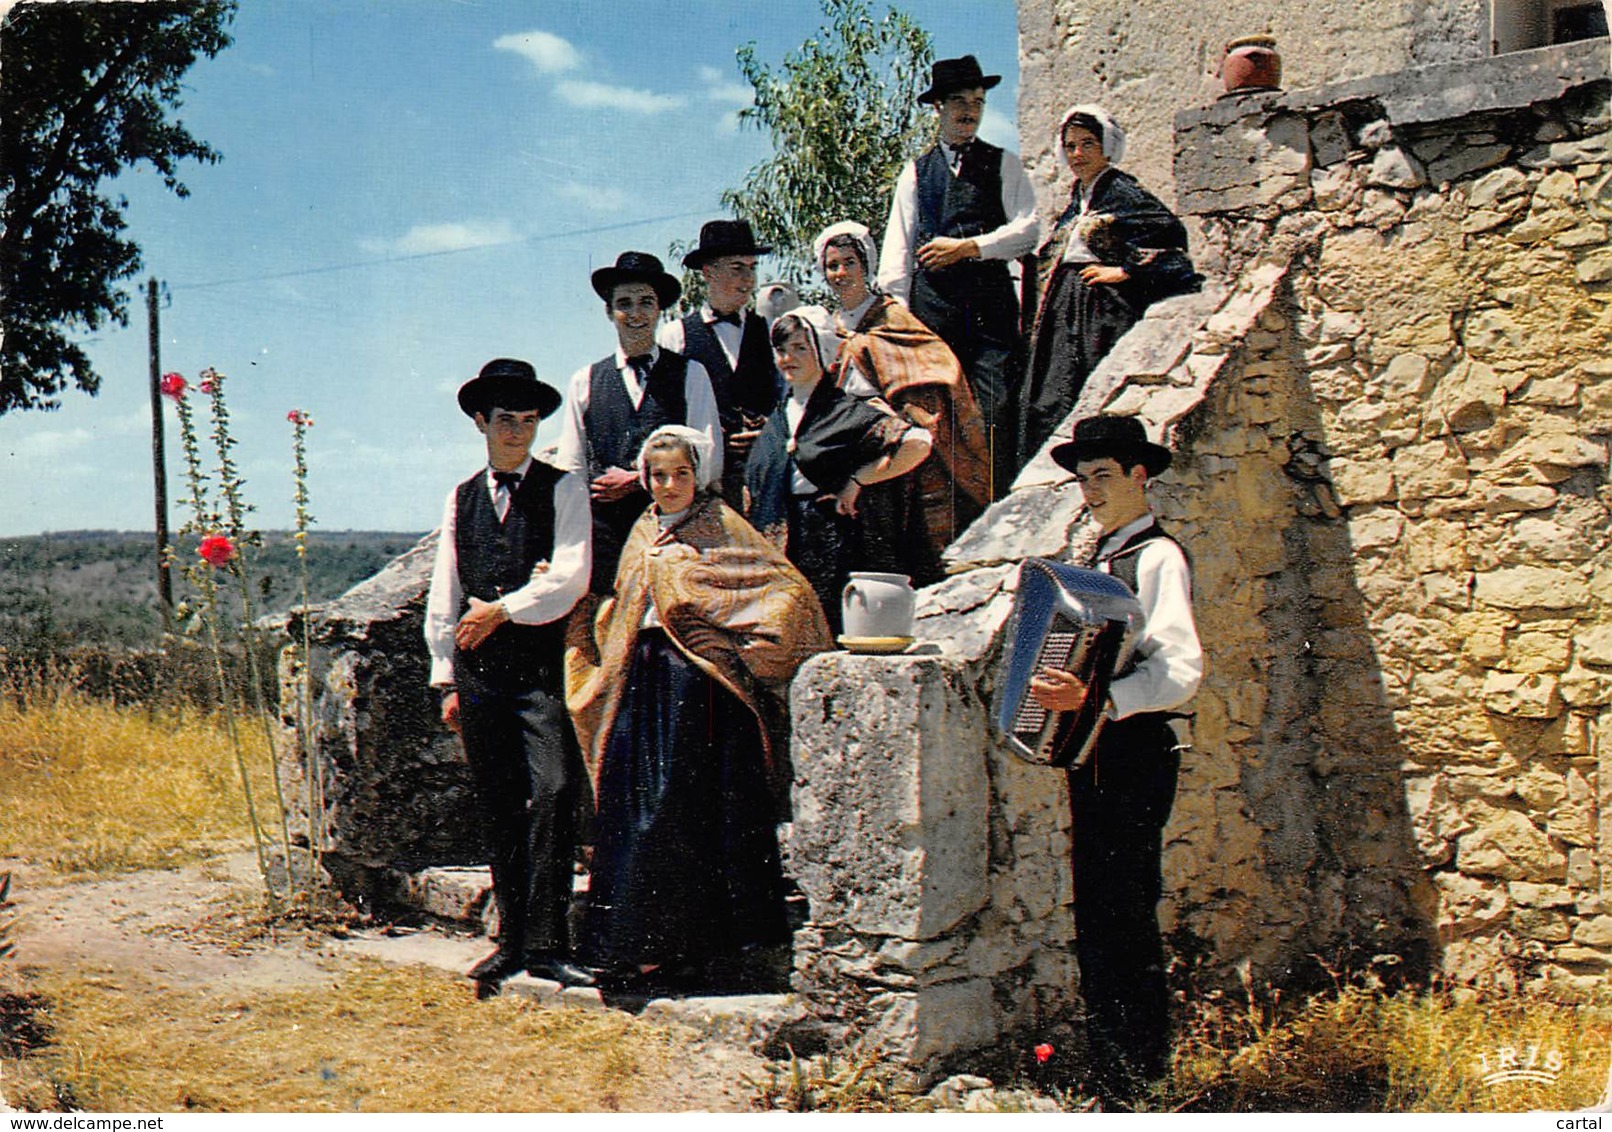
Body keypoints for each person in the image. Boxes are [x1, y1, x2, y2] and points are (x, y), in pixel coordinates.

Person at [567, 425, 833, 986]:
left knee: (674, 807)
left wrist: (739, 641)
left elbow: (786, 591)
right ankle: (631, 945)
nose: (669, 485)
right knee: (626, 805)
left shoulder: (722, 526)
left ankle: (669, 950)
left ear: (699, 476)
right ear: (645, 478)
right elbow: (626, 601)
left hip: (697, 684)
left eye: (681, 475)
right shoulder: (643, 530)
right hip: (636, 679)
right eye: (658, 476)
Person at [1026, 414, 1202, 1099]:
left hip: (1132, 749)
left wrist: (1099, 703)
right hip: (1095, 754)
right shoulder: (1098, 559)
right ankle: (1115, 1072)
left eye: (1104, 476)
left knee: (1124, 914)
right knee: (1099, 915)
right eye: (1083, 479)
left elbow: (1182, 671)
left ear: (1140, 476)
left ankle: (1139, 1078)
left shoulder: (1156, 557)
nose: (1091, 491)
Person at [423, 358, 597, 992]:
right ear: (481, 423)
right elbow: (446, 589)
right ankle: (511, 942)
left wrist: (502, 610)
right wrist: (445, 676)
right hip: (478, 674)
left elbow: (569, 578)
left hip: (538, 670)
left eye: (528, 420)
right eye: (505, 420)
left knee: (552, 791)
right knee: (497, 803)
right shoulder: (461, 496)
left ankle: (551, 944)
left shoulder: (563, 488)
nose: (518, 431)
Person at [878, 54, 1040, 497]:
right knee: (937, 427)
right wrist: (901, 330)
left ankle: (1001, 513)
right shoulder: (914, 174)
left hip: (990, 320)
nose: (970, 110)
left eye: (978, 101)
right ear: (939, 108)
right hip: (935, 324)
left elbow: (1029, 230)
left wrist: (970, 248)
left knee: (994, 415)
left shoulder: (1004, 163)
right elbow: (896, 258)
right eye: (959, 101)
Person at [1019, 106, 1201, 463]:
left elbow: (1171, 238)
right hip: (1064, 309)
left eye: (1088, 144)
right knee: (1050, 394)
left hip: (1098, 309)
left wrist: (1126, 272)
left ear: (1107, 147)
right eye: (1070, 146)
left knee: (1088, 387)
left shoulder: (1122, 191)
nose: (1078, 154)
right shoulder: (1079, 199)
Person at [745, 308, 932, 635]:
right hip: (782, 547)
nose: (788, 358)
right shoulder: (776, 419)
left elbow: (918, 443)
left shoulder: (844, 410)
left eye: (801, 348)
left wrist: (859, 479)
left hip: (832, 540)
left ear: (823, 351)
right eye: (782, 349)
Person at [815, 220, 991, 560]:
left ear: (865, 265)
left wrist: (899, 408)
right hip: (858, 452)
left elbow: (935, 366)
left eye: (849, 262)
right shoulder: (827, 328)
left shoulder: (894, 319)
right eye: (832, 265)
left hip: (908, 446)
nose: (841, 273)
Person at [555, 250, 723, 594]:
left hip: (676, 536)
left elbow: (710, 460)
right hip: (607, 543)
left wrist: (638, 480)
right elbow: (571, 473)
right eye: (625, 303)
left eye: (646, 302)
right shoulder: (584, 381)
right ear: (609, 311)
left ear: (659, 309)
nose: (636, 313)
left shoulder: (691, 374)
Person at [658, 219, 783, 510]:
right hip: (704, 489)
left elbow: (789, 400)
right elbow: (665, 416)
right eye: (738, 268)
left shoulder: (769, 331)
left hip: (765, 482)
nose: (748, 280)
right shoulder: (676, 336)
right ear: (709, 272)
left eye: (752, 269)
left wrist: (770, 431)